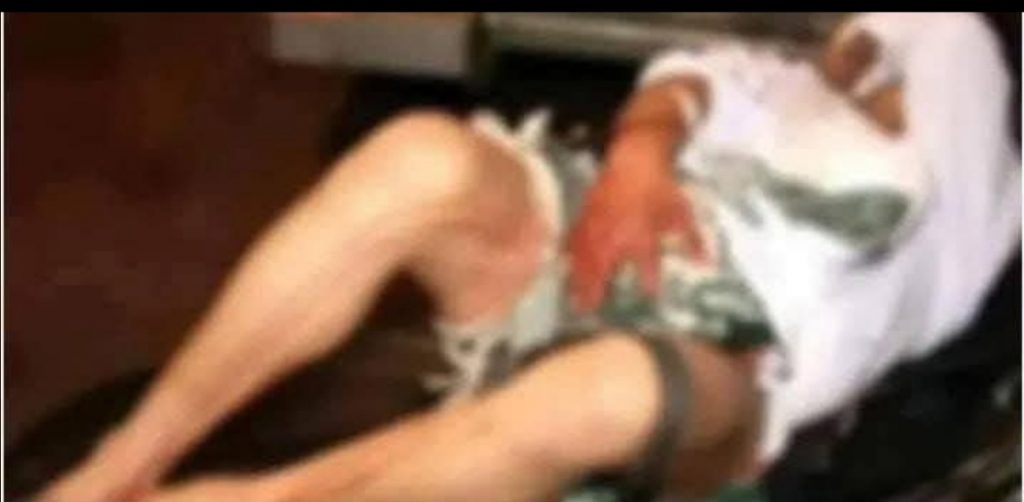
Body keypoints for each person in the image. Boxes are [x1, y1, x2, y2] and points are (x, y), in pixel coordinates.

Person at [39, 12, 1020, 502]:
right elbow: (695, 76)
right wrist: (640, 151)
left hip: (736, 363)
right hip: (590, 246)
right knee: (420, 157)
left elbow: (928, 186)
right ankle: (119, 464)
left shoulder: (972, 186)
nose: (846, 47)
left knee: (607, 393)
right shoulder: (798, 83)